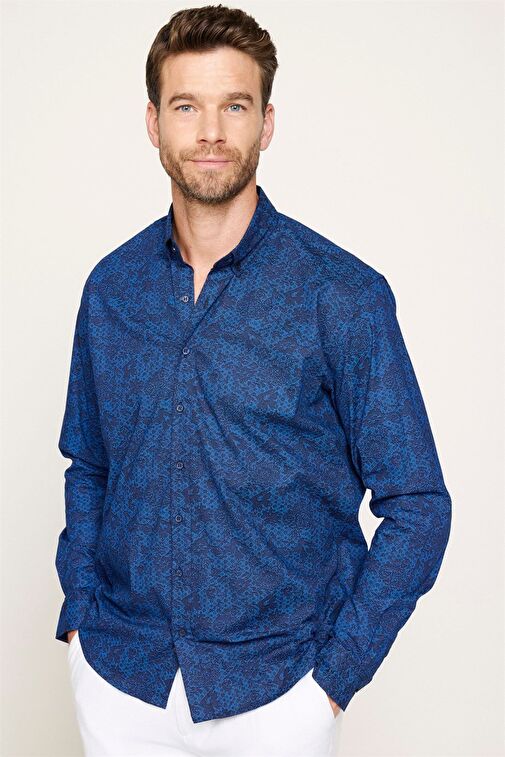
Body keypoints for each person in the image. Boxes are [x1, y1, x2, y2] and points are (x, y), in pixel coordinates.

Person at [55, 4, 452, 756]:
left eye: (234, 106)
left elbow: (418, 505)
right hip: (120, 682)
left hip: (278, 695)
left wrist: (333, 680)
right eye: (186, 106)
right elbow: (91, 465)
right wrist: (79, 618)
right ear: (153, 123)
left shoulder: (342, 295)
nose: (210, 131)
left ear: (266, 123)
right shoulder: (110, 290)